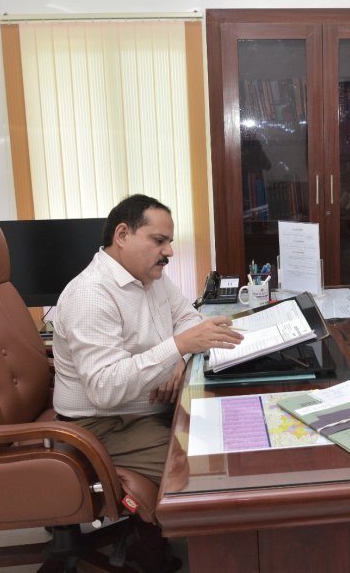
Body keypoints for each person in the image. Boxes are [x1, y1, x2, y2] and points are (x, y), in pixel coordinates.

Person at [52, 194, 243, 551]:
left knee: (236, 430)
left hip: (150, 409)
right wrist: (177, 348)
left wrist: (179, 360)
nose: (169, 251)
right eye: (159, 240)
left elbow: (188, 318)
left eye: (169, 241)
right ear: (123, 235)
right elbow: (104, 389)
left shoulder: (150, 277)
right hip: (104, 425)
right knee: (213, 474)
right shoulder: (91, 296)